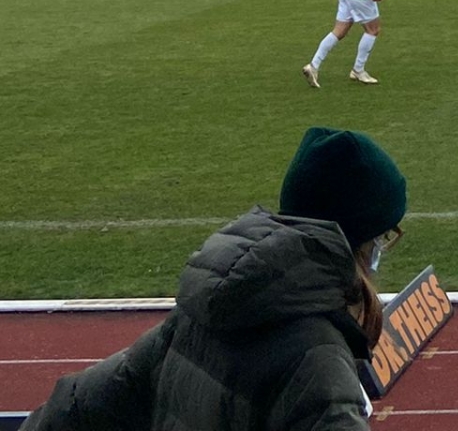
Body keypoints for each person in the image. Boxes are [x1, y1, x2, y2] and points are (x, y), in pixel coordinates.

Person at [23, 125, 406, 431]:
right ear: (360, 242)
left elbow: (77, 406)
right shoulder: (317, 359)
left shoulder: (200, 313)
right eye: (385, 236)